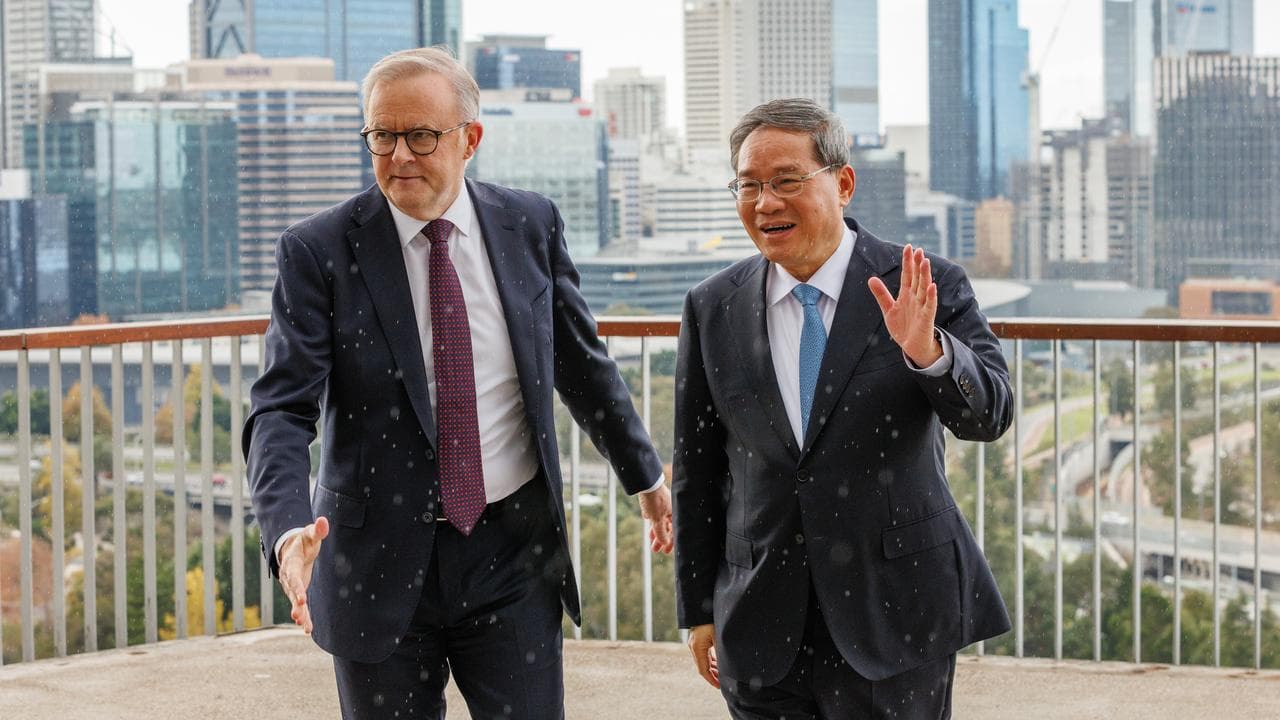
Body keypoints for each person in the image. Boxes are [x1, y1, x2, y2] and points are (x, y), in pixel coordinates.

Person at [244, 46, 673, 719]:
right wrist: (286, 526)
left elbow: (582, 366)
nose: (399, 156)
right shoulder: (319, 251)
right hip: (374, 563)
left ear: (470, 138)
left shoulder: (529, 224)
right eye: (382, 136)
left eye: (420, 135)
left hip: (510, 556)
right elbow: (281, 408)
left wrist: (644, 478)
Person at [672, 98, 1012, 719]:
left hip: (894, 618)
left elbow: (988, 416)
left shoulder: (922, 282)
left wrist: (930, 352)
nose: (765, 203)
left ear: (844, 183)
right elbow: (698, 471)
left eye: (786, 182)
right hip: (761, 625)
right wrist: (698, 611)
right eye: (748, 186)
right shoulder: (712, 306)